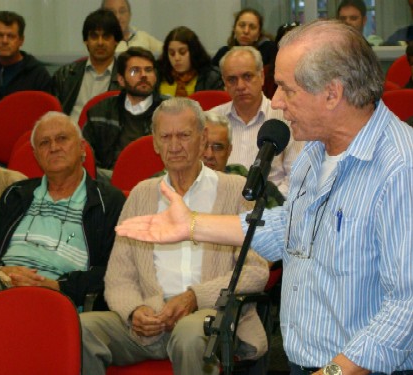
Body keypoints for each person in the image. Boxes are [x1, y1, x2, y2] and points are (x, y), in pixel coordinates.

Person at [116, 20, 413, 375]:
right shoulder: (315, 153)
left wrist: (335, 372)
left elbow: (406, 306)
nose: (278, 102)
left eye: (287, 89)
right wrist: (192, 225)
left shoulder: (399, 168)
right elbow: (286, 228)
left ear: (332, 94)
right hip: (307, 362)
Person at [80, 97, 270, 375]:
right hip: (150, 319)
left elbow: (256, 271)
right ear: (155, 143)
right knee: (83, 329)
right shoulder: (142, 194)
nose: (174, 145)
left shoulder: (235, 191)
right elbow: (119, 276)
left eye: (184, 135)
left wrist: (195, 296)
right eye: (165, 137)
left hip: (208, 318)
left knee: (190, 333)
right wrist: (134, 311)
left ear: (203, 139)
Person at [0, 111, 126, 329]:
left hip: (59, 298)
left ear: (82, 148)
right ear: (36, 155)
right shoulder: (16, 194)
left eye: (62, 139)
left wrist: (57, 286)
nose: (54, 147)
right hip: (2, 288)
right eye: (44, 143)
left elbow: (116, 268)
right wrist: (4, 271)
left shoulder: (108, 201)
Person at [210, 46, 303, 197]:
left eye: (247, 76)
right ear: (224, 82)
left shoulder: (285, 118)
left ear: (261, 76)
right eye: (232, 79)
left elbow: (295, 178)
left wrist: (264, 206)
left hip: (270, 208)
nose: (240, 86)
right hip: (219, 204)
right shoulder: (211, 119)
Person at [83, 47, 167, 171]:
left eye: (148, 70)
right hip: (109, 182)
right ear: (121, 80)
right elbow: (87, 159)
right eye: (135, 71)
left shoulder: (170, 112)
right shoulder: (99, 112)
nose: (143, 75)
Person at [53, 9, 123, 124]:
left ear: (116, 41)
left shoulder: (125, 78)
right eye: (94, 36)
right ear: (86, 41)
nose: (100, 43)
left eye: (106, 37)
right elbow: (52, 116)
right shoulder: (65, 75)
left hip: (107, 139)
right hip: (68, 137)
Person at [202, 112, 284, 208]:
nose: (209, 154)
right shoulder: (181, 187)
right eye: (203, 144)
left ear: (229, 150)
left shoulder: (259, 190)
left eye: (218, 147)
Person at [157, 26, 223, 97]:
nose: (177, 58)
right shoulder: (158, 76)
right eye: (172, 53)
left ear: (193, 52)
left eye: (182, 52)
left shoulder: (211, 77)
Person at [212, 8, 276, 69]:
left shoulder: (268, 50)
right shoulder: (223, 53)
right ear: (234, 28)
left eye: (252, 27)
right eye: (242, 25)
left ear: (259, 33)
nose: (246, 31)